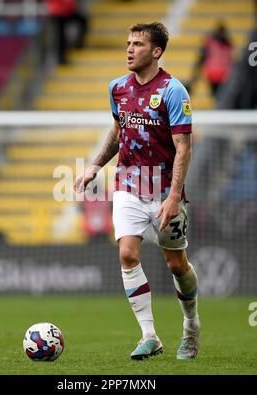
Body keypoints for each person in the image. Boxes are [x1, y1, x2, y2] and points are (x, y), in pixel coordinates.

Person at [74, 22, 200, 360]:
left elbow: (183, 147)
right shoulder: (117, 88)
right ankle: (150, 335)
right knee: (128, 254)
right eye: (128, 42)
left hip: (164, 191)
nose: (130, 49)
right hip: (128, 185)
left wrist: (174, 195)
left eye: (138, 44)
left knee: (176, 264)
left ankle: (191, 326)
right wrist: (94, 166)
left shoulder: (174, 91)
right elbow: (118, 133)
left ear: (156, 51)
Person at [187, 21, 234, 99]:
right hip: (220, 75)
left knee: (218, 96)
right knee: (219, 96)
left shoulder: (212, 42)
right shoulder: (226, 43)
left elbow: (201, 58)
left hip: (217, 74)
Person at [45, 0, 88, 64]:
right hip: (58, 13)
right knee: (61, 36)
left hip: (67, 11)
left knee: (83, 21)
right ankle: (61, 58)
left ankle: (78, 45)